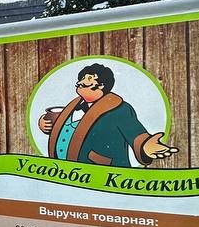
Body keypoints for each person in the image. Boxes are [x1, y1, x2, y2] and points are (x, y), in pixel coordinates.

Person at [39, 63, 177, 166]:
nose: (79, 85)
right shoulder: (74, 104)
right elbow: (65, 123)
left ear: (101, 86)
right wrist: (43, 122)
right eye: (78, 83)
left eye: (85, 83)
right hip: (65, 175)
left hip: (104, 176)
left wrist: (146, 146)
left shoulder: (120, 109)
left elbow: (136, 134)